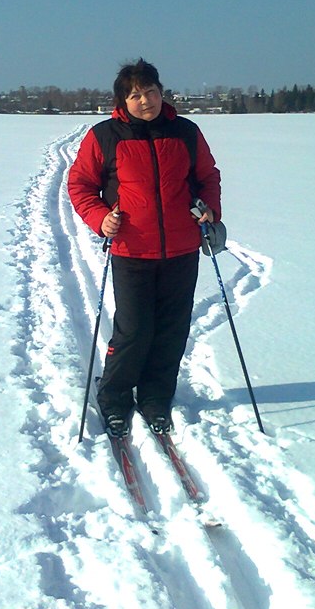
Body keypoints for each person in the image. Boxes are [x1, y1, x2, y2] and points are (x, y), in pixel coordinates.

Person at [67, 58, 221, 437]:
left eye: (150, 92)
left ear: (161, 92)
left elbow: (207, 177)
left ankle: (155, 397)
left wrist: (210, 210)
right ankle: (114, 396)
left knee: (171, 329)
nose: (145, 100)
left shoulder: (186, 132)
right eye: (135, 95)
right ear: (123, 100)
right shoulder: (105, 136)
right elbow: (80, 185)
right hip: (132, 251)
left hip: (182, 249)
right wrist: (100, 217)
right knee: (134, 330)